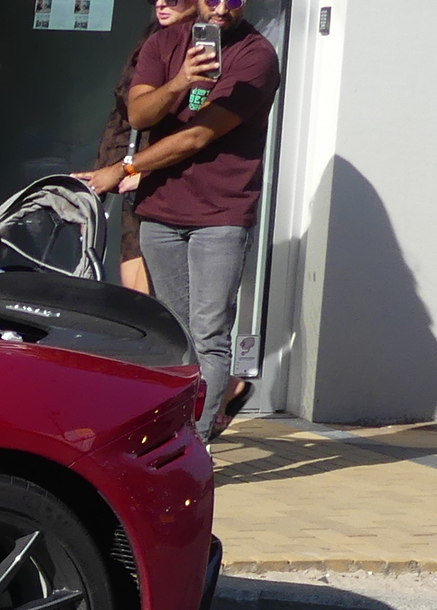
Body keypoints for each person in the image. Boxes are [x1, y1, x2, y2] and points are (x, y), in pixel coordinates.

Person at [80, 0, 277, 435]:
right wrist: (181, 81)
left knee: (209, 334)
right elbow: (139, 113)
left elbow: (198, 134)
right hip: (162, 212)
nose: (223, 9)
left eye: (236, 1)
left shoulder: (256, 54)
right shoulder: (163, 44)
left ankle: (196, 444)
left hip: (221, 213)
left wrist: (128, 168)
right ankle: (172, 431)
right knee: (174, 333)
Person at [88, 0, 200, 294]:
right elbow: (125, 117)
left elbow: (197, 129)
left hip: (176, 187)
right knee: (135, 294)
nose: (161, 3)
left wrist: (136, 168)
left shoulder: (203, 45)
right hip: (137, 179)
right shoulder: (152, 39)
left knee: (160, 299)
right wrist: (110, 170)